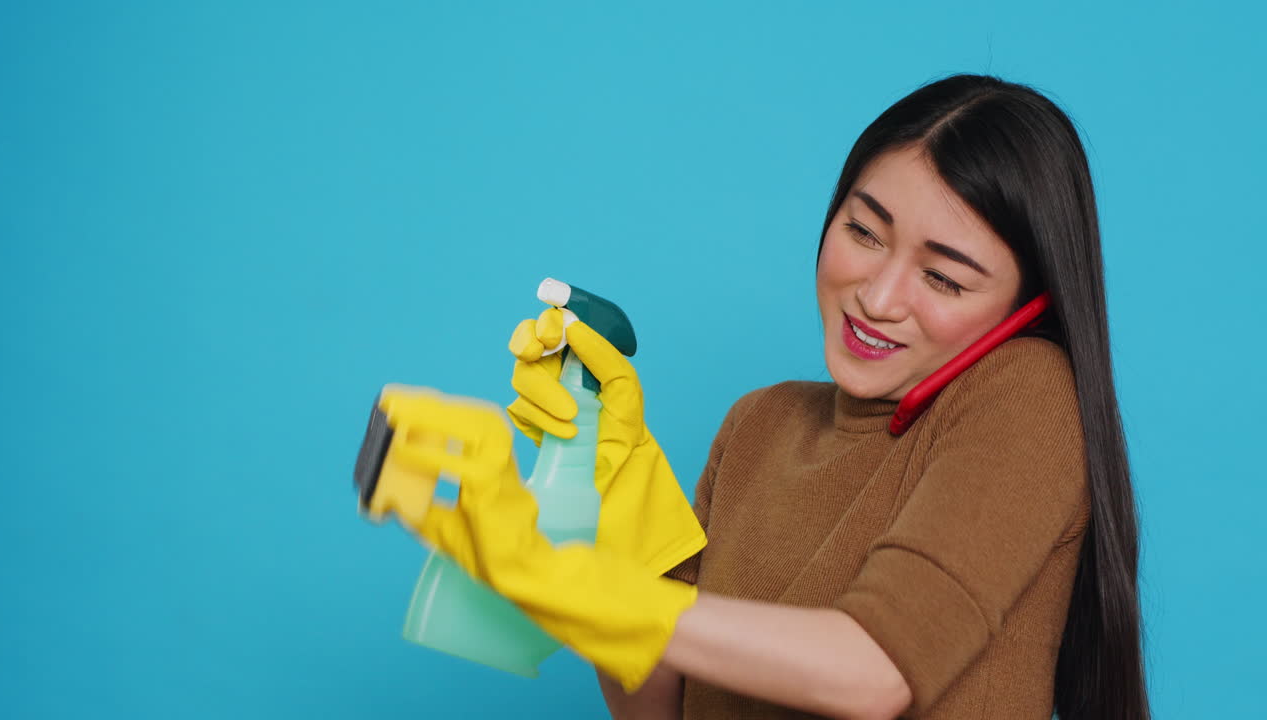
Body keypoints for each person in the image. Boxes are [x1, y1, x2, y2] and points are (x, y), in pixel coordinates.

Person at [384, 74, 1150, 720]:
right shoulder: (759, 423)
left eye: (943, 278)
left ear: (1027, 307)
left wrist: (568, 584)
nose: (878, 297)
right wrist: (617, 507)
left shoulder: (1026, 393)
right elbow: (656, 710)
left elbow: (874, 671)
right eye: (864, 232)